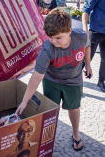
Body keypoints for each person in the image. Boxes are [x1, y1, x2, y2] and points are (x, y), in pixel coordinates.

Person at [16, 8, 93, 151]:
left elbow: (87, 46)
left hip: (74, 80)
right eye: (50, 37)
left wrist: (88, 64)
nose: (53, 41)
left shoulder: (81, 36)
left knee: (74, 108)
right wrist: (25, 101)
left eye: (58, 38)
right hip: (52, 80)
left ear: (69, 31)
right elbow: (36, 77)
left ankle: (76, 135)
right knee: (50, 110)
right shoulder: (47, 50)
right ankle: (45, 138)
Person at [82, 0, 105, 92]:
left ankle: (101, 81)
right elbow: (86, 10)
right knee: (86, 58)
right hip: (95, 31)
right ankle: (74, 82)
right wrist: (85, 29)